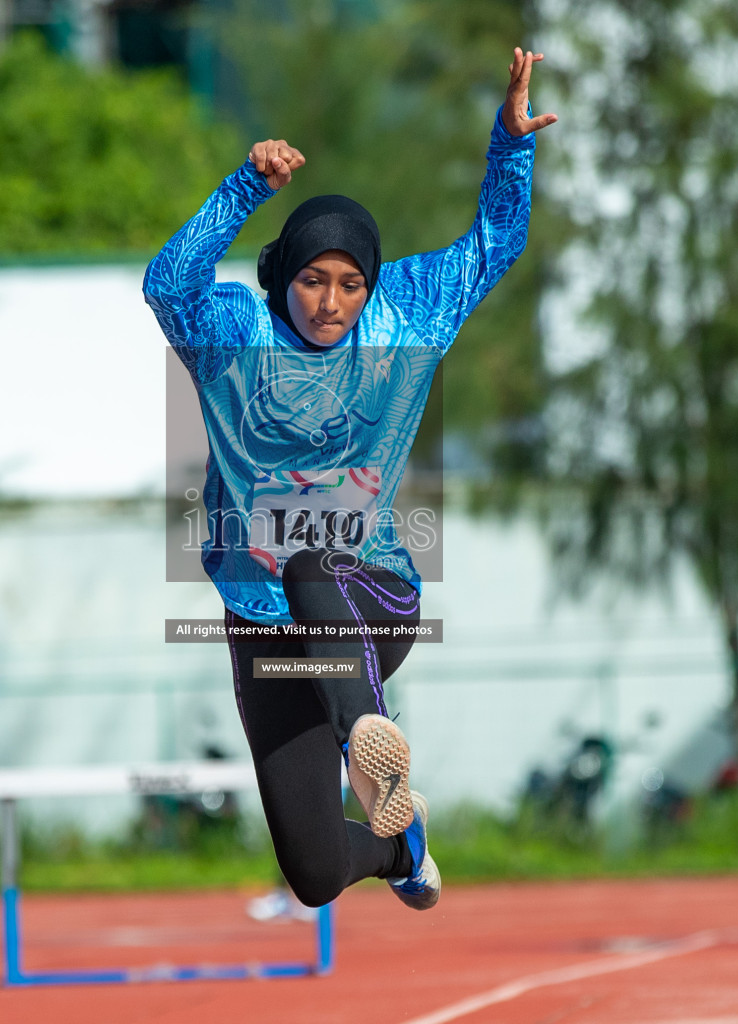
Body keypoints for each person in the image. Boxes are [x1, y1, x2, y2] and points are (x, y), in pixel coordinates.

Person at [144, 48, 556, 911]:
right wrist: (243, 187)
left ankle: (369, 735)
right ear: (284, 279)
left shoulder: (406, 317)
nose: (330, 303)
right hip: (263, 629)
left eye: (349, 285)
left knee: (309, 557)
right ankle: (399, 842)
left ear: (371, 287)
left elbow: (493, 243)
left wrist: (510, 146)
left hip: (369, 600)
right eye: (311, 281)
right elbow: (166, 283)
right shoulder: (231, 337)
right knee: (314, 873)